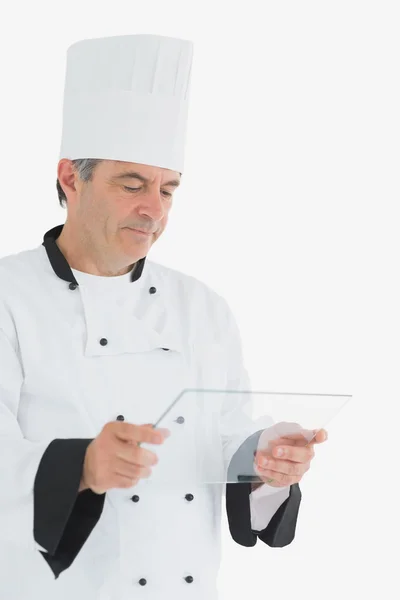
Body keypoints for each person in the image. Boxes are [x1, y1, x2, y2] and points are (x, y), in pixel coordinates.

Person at [0, 34, 326, 600]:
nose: (153, 210)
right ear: (71, 178)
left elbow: (225, 445)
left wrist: (266, 464)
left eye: (168, 190)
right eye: (132, 185)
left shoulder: (202, 307)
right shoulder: (9, 297)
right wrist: (82, 467)